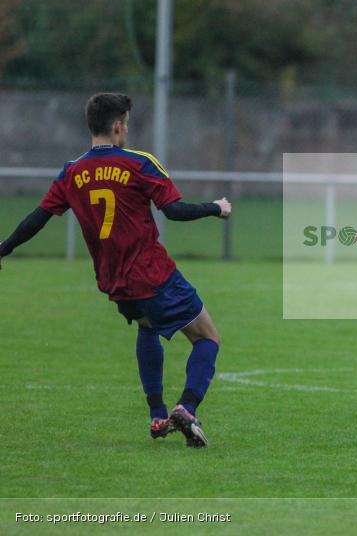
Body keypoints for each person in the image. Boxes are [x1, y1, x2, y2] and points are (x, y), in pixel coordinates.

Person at [0, 93, 229, 446]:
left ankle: (157, 416)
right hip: (153, 274)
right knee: (208, 338)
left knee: (147, 327)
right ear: (119, 125)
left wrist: (4, 248)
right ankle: (187, 408)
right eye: (126, 124)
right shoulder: (138, 163)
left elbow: (37, 219)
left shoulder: (72, 172)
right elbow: (174, 211)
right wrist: (216, 207)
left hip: (115, 282)